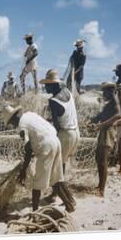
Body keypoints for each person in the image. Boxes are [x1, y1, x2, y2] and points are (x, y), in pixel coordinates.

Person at [2, 105, 76, 212]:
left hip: (45, 147)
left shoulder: (22, 127)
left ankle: (35, 212)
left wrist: (23, 170)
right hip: (56, 141)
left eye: (11, 123)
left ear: (14, 118)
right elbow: (43, 130)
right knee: (56, 178)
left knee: (37, 184)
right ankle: (69, 204)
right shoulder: (31, 114)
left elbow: (28, 149)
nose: (12, 126)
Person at [40, 69, 79, 206]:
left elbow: (56, 126)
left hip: (65, 135)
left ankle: (66, 198)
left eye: (47, 84)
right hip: (75, 133)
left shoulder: (53, 101)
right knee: (61, 165)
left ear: (54, 85)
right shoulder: (67, 92)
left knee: (56, 168)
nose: (45, 87)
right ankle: (56, 194)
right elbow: (64, 115)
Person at [91, 82, 121, 196]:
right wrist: (92, 120)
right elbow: (101, 115)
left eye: (105, 91)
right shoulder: (110, 102)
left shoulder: (115, 100)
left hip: (108, 132)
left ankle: (102, 190)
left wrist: (101, 125)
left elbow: (118, 115)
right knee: (98, 158)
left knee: (103, 161)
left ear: (111, 91)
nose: (103, 93)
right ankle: (99, 185)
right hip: (104, 131)